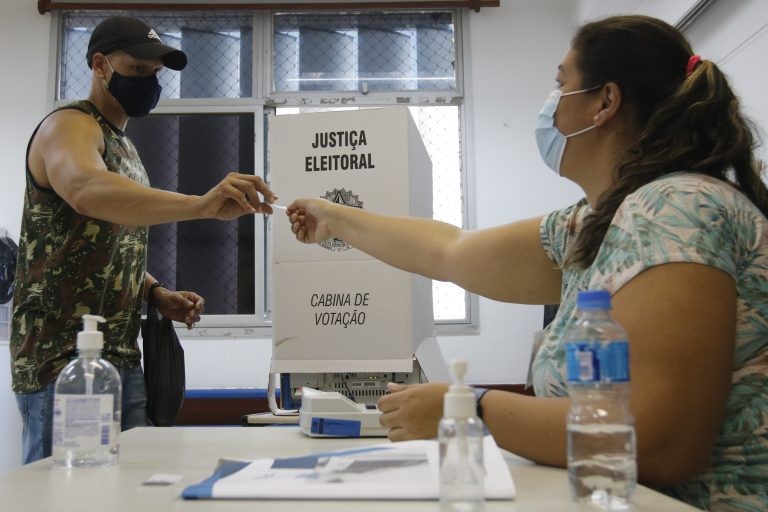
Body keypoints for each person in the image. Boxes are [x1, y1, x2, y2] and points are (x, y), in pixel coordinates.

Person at [285, 15, 768, 512]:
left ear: (605, 103)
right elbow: (448, 250)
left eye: (561, 85)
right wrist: (333, 218)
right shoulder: (591, 224)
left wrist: (471, 408)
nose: (549, 105)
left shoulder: (678, 206)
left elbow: (661, 440)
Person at [11, 16, 278, 465]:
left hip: (121, 357)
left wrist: (155, 292)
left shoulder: (123, 145)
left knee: (127, 493)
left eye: (156, 74)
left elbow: (111, 234)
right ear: (100, 65)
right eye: (138, 70)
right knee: (63, 497)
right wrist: (201, 204)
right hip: (63, 363)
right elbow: (85, 191)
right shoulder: (70, 126)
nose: (150, 82)